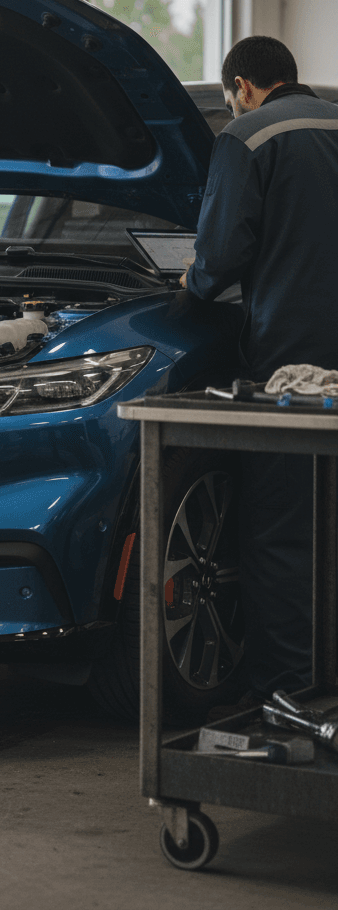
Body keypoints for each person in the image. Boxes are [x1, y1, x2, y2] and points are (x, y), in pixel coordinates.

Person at [180, 36, 338, 707]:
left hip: (293, 356)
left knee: (282, 525)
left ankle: (287, 691)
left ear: (240, 85)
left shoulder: (247, 135)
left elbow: (221, 253)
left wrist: (190, 284)